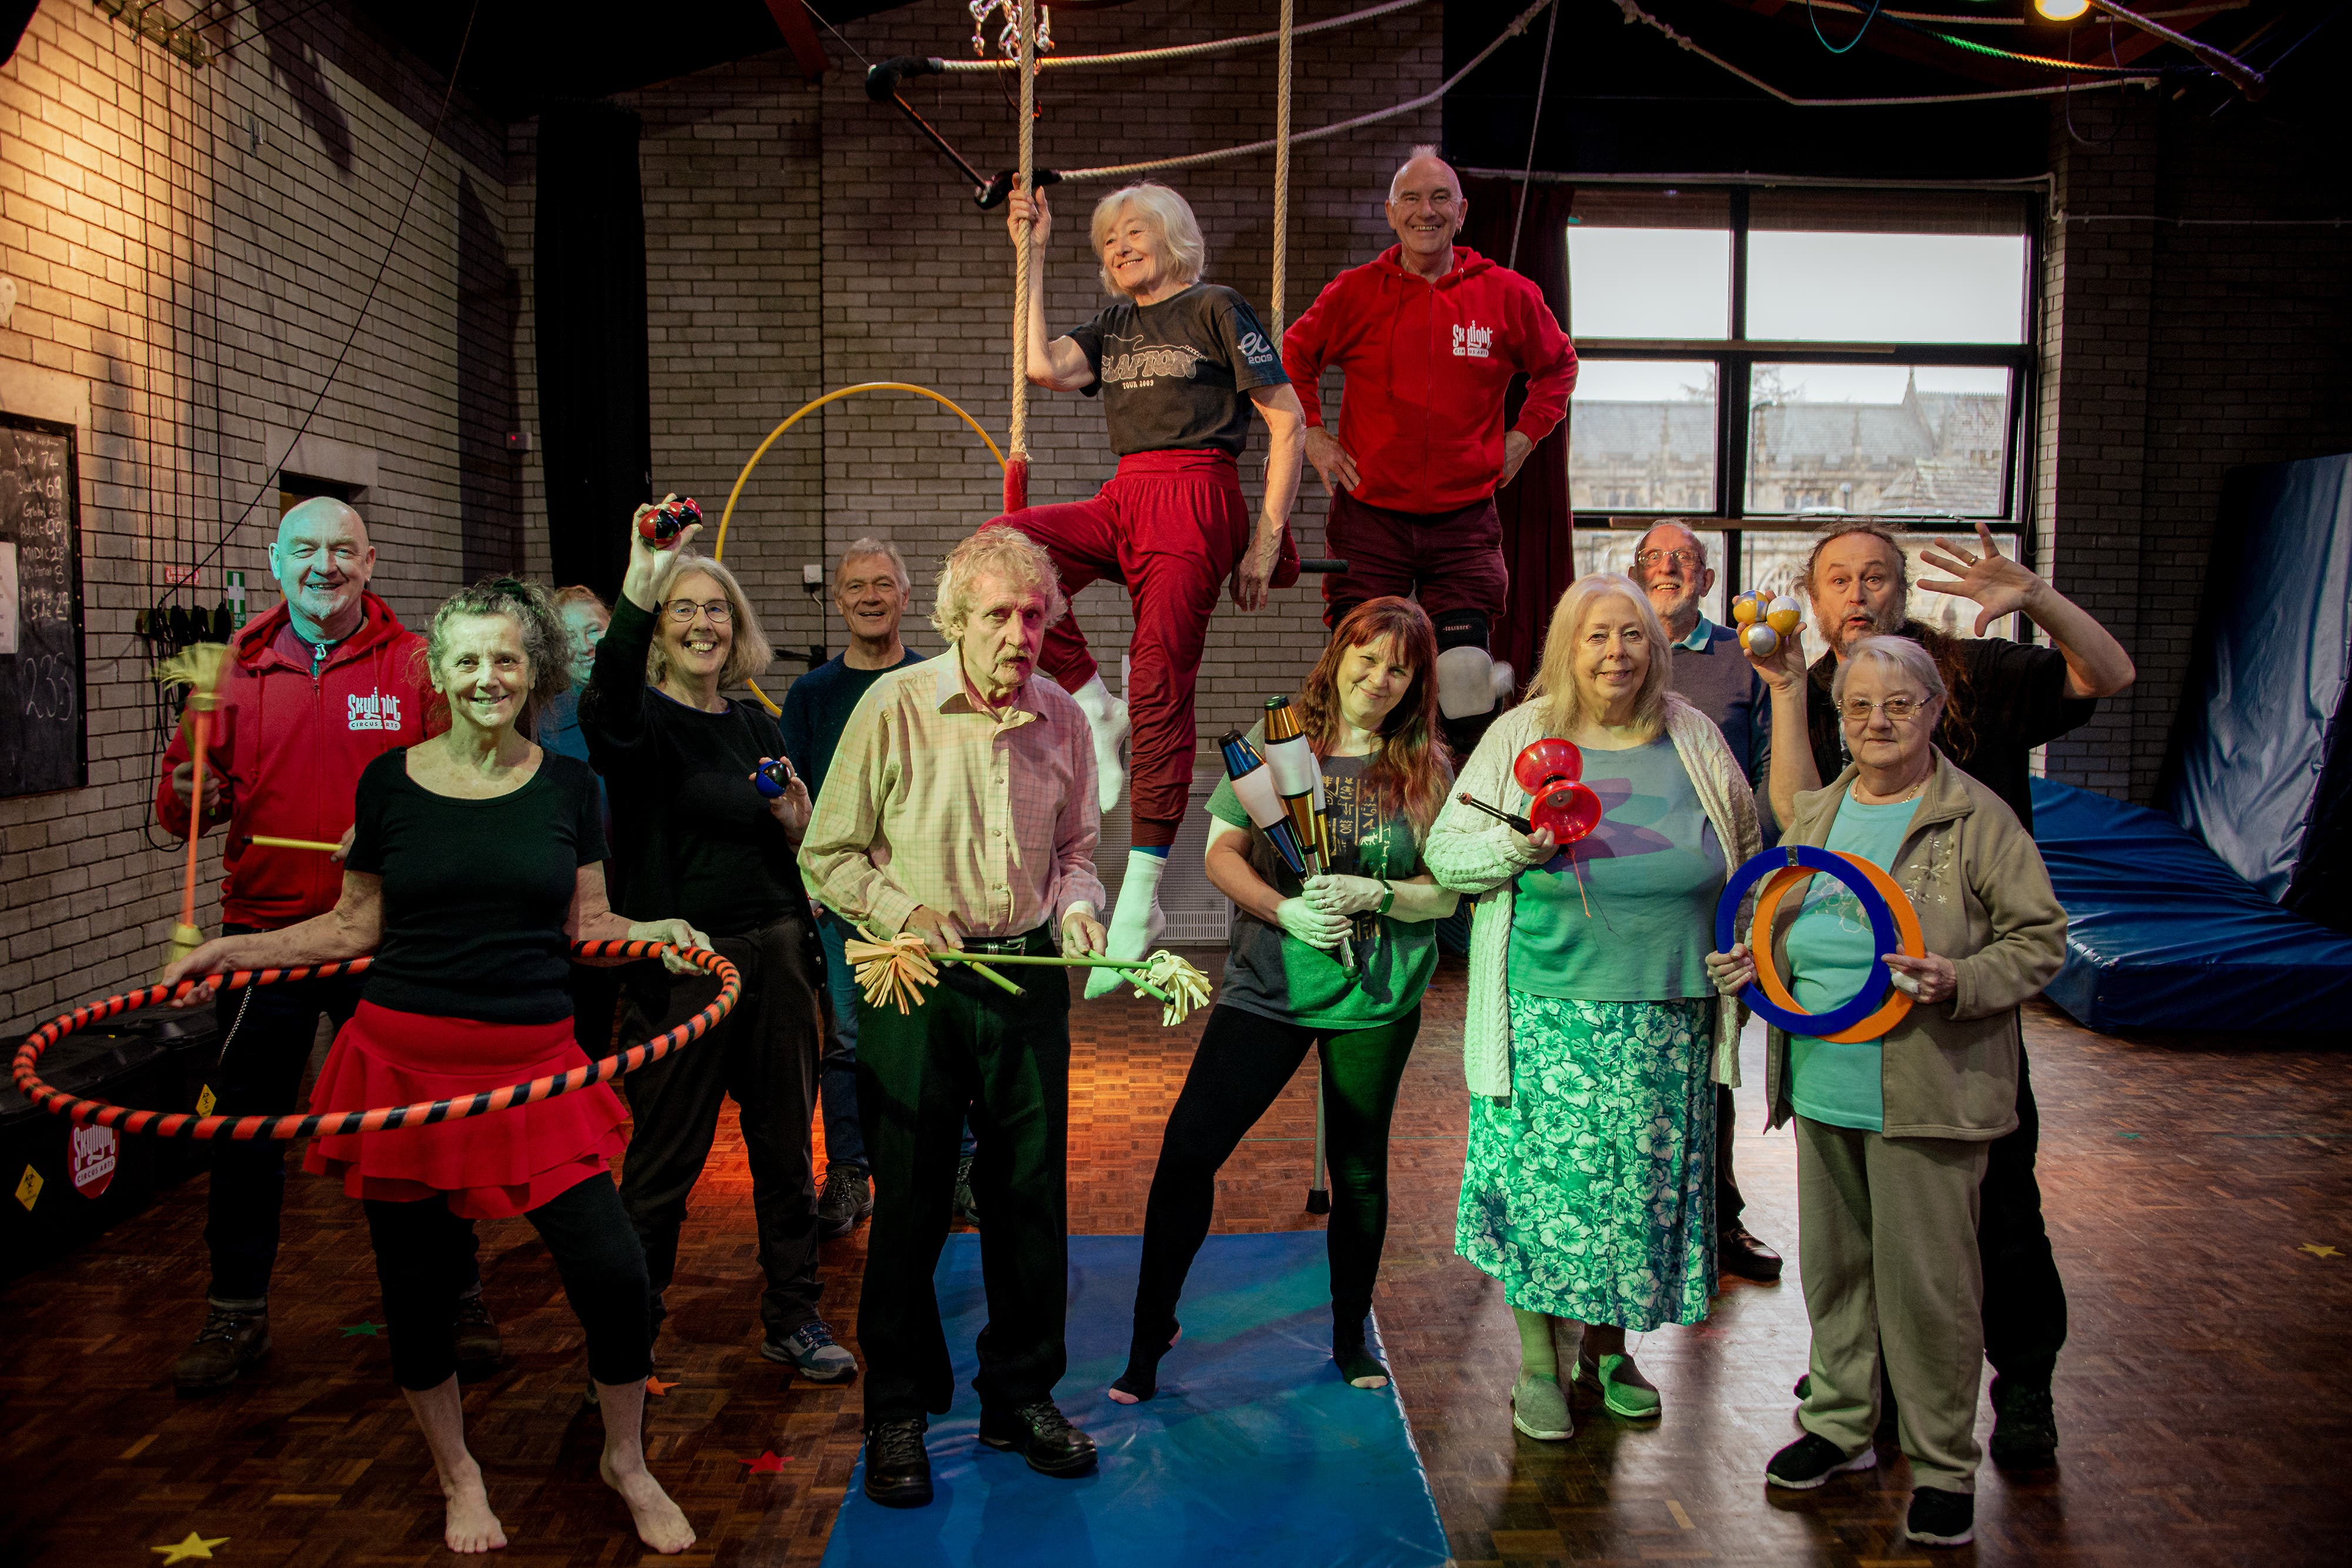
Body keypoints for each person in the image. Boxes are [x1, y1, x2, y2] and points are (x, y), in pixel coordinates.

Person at [160, 577, 703, 1556]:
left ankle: (626, 1457)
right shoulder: (389, 784)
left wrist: (655, 927)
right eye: (468, 661)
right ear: (441, 676)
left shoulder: (573, 788)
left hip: (535, 1069)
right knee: (415, 1290)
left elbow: (586, 925)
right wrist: (232, 952)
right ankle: (460, 1471)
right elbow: (353, 925)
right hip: (401, 1072)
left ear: (534, 669)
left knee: (617, 1276)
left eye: (506, 658)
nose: (487, 676)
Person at [1751, 520, 2135, 1469]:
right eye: (1837, 577)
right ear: (1814, 589)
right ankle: (1861, 1397)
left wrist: (2037, 595)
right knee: (1854, 1235)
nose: (1857, 592)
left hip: (1958, 1019)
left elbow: (2111, 675)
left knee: (1999, 1214)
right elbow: (1801, 824)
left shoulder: (1975, 674)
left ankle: (2025, 1388)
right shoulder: (1826, 692)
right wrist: (1795, 699)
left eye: (1875, 575)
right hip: (1849, 1035)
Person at [1709, 635, 2066, 1550]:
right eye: (1859, 705)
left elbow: (2040, 939)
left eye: (1899, 704)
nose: (1876, 721)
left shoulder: (1975, 818)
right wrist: (1755, 964)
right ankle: (1840, 1423)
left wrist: (1962, 978)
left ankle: (1943, 1463)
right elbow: (1776, 913)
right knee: (1837, 1271)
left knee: (1933, 1286)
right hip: (1827, 1082)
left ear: (1935, 710)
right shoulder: (1819, 813)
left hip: (1930, 1088)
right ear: (1840, 719)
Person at [153, 497, 501, 1396]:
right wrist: (190, 786)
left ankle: (457, 1296)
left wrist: (394, 834)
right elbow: (181, 805)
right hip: (263, 937)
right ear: (275, 561)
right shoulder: (233, 668)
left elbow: (462, 785)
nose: (325, 565)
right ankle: (235, 1309)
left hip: (387, 939)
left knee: (425, 1126)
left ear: (371, 559)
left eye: (342, 550)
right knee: (246, 1131)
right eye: (305, 549)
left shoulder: (417, 664)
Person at [800, 527, 1110, 1510]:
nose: (1019, 633)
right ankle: (898, 1402)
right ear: (955, 620)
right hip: (917, 983)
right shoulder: (893, 706)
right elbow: (827, 853)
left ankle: (1018, 1395)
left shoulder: (1063, 717)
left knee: (1029, 1198)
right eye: (997, 615)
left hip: (1026, 979)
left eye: (1033, 615)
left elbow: (1078, 851)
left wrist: (1079, 906)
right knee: (915, 1197)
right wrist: (903, 912)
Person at [1426, 573, 1759, 1444]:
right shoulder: (1519, 733)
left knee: (1635, 1199)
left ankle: (1607, 1350)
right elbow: (1447, 854)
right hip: (1547, 1011)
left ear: (1655, 647)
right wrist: (1515, 840)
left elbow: (1749, 854)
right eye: (1596, 636)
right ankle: (1538, 1362)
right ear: (1567, 650)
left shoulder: (1694, 737)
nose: (1616, 652)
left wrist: (1748, 950)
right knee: (1546, 1198)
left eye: (1633, 636)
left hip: (1669, 1014)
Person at [1111, 597, 1459, 1405]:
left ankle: (1348, 1335)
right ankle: (1149, 1329)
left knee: (1360, 1171)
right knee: (1189, 1148)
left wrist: (1379, 892)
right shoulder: (1279, 748)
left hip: (1375, 993)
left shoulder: (1428, 769)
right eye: (1367, 658)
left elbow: (1445, 894)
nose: (1379, 678)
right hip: (1269, 984)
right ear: (1339, 656)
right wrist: (1285, 908)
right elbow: (1224, 854)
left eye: (1399, 667)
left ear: (1417, 683)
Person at [997, 180, 1307, 991]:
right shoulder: (1113, 325)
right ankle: (1094, 701)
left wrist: (1264, 541)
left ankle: (1140, 893)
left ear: (1174, 236)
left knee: (1164, 678)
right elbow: (1039, 366)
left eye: (1135, 232)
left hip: (1196, 492)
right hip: (1127, 492)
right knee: (1010, 545)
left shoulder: (1215, 305)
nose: (1120, 247)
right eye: (1106, 242)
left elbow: (1287, 420)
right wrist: (1032, 251)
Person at [579, 502, 851, 1384]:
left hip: (774, 953)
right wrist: (641, 573)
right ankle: (633, 1332)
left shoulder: (758, 726)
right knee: (663, 1164)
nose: (704, 622)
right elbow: (605, 693)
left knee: (785, 1152)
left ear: (737, 629)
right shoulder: (640, 725)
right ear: (659, 630)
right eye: (685, 609)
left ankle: (794, 1315)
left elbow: (800, 844)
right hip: (684, 966)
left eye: (717, 609)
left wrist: (796, 819)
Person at [1281, 144, 1578, 762]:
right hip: (1371, 516)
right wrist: (1311, 431)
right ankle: (1362, 798)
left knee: (1466, 682)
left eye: (1440, 197)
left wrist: (1524, 434)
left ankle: (1459, 807)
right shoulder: (1356, 293)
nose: (1426, 211)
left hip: (1464, 516)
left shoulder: (1506, 294)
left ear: (1461, 211)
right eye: (1412, 199)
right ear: (1391, 213)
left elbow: (1558, 367)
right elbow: (1293, 356)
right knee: (1362, 679)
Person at [1631, 521, 1782, 1286]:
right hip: (1626, 899)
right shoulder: (1613, 650)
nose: (1669, 569)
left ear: (1709, 576)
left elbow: (1767, 772)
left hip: (1719, 898)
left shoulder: (1743, 662)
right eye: (1655, 559)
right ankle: (1635, 1213)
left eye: (1683, 559)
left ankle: (1719, 1219)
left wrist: (1748, 868)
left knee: (1717, 1056)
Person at [779, 540, 927, 1241]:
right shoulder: (810, 696)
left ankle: (952, 1165)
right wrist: (810, 881)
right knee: (844, 1039)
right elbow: (795, 799)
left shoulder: (936, 681)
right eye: (855, 588)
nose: (870, 597)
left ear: (906, 595)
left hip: (926, 902)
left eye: (883, 585)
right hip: (841, 903)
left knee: (935, 1035)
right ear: (837, 603)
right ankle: (847, 1170)